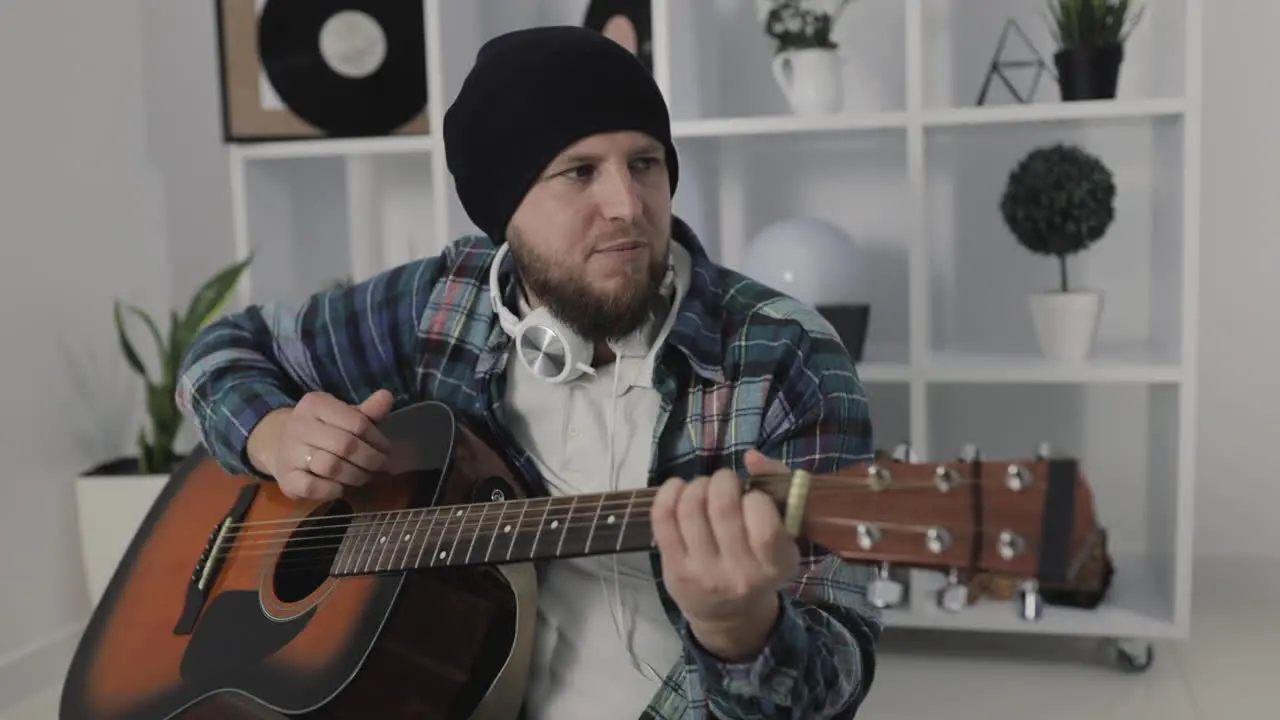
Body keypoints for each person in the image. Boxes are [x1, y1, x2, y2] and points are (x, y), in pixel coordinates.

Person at [176, 25, 881, 720]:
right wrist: (270, 434)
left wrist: (739, 632)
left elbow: (833, 675)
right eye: (580, 171)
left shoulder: (786, 356)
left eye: (645, 163)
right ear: (503, 208)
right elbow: (222, 350)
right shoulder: (443, 302)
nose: (628, 205)